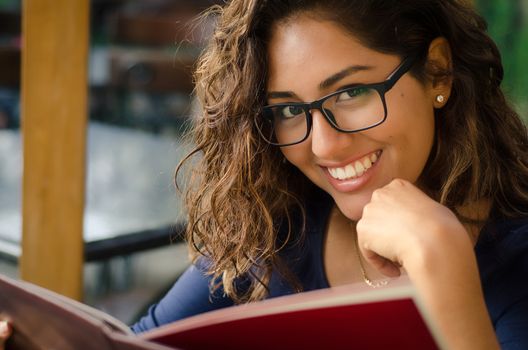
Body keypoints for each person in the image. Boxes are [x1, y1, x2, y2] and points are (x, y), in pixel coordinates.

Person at [2, 0, 525, 348]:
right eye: (289, 110)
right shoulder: (278, 231)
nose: (324, 145)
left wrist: (442, 259)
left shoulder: (515, 254)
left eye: (350, 93)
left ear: (437, 72)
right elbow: (134, 344)